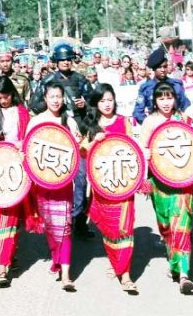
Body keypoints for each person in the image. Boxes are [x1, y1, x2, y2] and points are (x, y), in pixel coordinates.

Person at [30, 44, 94, 239]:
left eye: (68, 58)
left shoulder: (81, 79)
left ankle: (79, 222)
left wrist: (85, 104)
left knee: (81, 180)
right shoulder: (48, 80)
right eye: (62, 59)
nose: (65, 61)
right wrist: (54, 104)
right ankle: (59, 223)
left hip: (77, 135)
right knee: (57, 180)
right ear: (56, 61)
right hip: (56, 137)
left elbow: (94, 104)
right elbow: (34, 104)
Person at [79, 84, 138, 294]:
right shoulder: (92, 124)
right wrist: (94, 141)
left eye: (110, 100)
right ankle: (116, 262)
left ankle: (126, 274)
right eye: (102, 100)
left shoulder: (124, 122)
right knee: (110, 228)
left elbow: (133, 148)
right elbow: (83, 151)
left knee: (125, 228)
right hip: (102, 185)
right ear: (96, 103)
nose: (107, 104)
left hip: (124, 184)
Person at [139, 82, 193, 295]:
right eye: (161, 98)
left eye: (169, 97)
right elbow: (143, 149)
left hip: (182, 181)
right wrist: (145, 156)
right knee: (166, 225)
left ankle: (184, 274)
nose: (166, 102)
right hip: (158, 181)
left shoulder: (182, 120)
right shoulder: (149, 122)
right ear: (154, 100)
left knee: (181, 223)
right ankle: (174, 261)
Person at [27, 82, 80, 292]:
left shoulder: (70, 121)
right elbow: (28, 148)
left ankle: (66, 273)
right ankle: (56, 258)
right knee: (50, 226)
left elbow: (78, 149)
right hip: (42, 182)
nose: (56, 100)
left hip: (64, 183)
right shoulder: (37, 121)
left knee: (65, 226)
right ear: (45, 98)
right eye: (52, 96)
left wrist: (78, 141)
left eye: (59, 96)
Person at [0, 76, 30, 288]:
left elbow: (29, 137)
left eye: (7, 96)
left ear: (13, 93)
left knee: (13, 216)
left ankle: (7, 257)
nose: (3, 101)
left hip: (16, 169)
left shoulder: (22, 112)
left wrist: (21, 143)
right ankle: (2, 265)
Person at [133, 48, 191, 124]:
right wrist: (150, 125)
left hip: (175, 126)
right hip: (155, 129)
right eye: (159, 67)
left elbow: (186, 107)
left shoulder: (176, 85)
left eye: (165, 66)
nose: (163, 70)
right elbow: (138, 113)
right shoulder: (146, 88)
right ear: (154, 69)